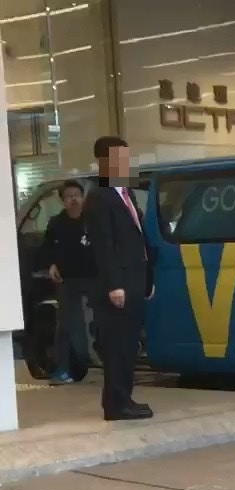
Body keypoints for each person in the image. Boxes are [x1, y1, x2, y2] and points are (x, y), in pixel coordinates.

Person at [84, 135, 153, 421]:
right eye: (119, 158)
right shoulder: (99, 197)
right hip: (117, 285)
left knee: (128, 344)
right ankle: (115, 404)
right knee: (117, 346)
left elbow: (137, 238)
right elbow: (103, 245)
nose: (125, 163)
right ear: (104, 162)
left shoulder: (125, 193)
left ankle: (125, 398)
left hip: (134, 279)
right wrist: (114, 284)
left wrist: (147, 279)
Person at [44, 180, 94, 385]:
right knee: (66, 324)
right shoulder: (56, 223)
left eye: (77, 195)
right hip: (67, 279)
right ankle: (64, 368)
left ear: (83, 198)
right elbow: (47, 248)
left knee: (100, 323)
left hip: (94, 278)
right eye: (68, 196)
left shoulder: (92, 220)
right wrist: (51, 265)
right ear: (62, 201)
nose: (73, 199)